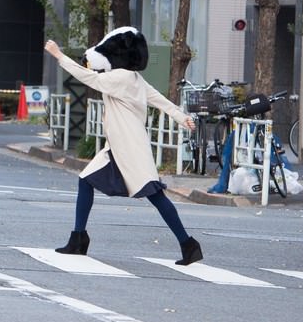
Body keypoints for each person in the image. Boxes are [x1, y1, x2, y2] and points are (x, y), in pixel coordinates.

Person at [45, 28, 203, 266]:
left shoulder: (121, 78)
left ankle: (188, 244)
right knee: (85, 179)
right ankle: (78, 239)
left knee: (156, 196)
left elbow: (89, 77)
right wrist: (182, 117)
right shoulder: (134, 79)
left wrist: (59, 55)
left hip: (129, 148)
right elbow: (161, 101)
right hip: (119, 146)